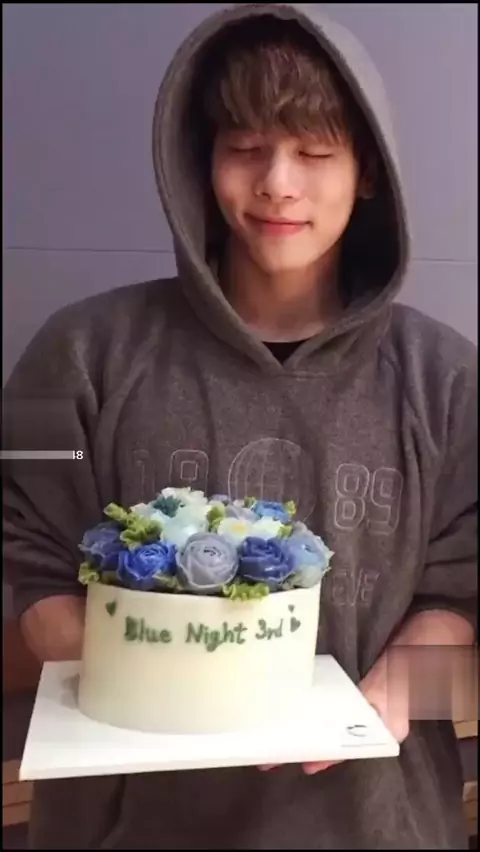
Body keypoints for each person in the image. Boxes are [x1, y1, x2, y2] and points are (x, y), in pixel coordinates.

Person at [3, 4, 477, 849]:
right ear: (202, 159)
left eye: (316, 153)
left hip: (377, 823)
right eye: (246, 148)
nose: (278, 184)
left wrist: (396, 695)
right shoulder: (73, 351)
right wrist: (163, 691)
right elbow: (24, 553)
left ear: (369, 170)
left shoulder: (452, 379)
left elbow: (463, 591)